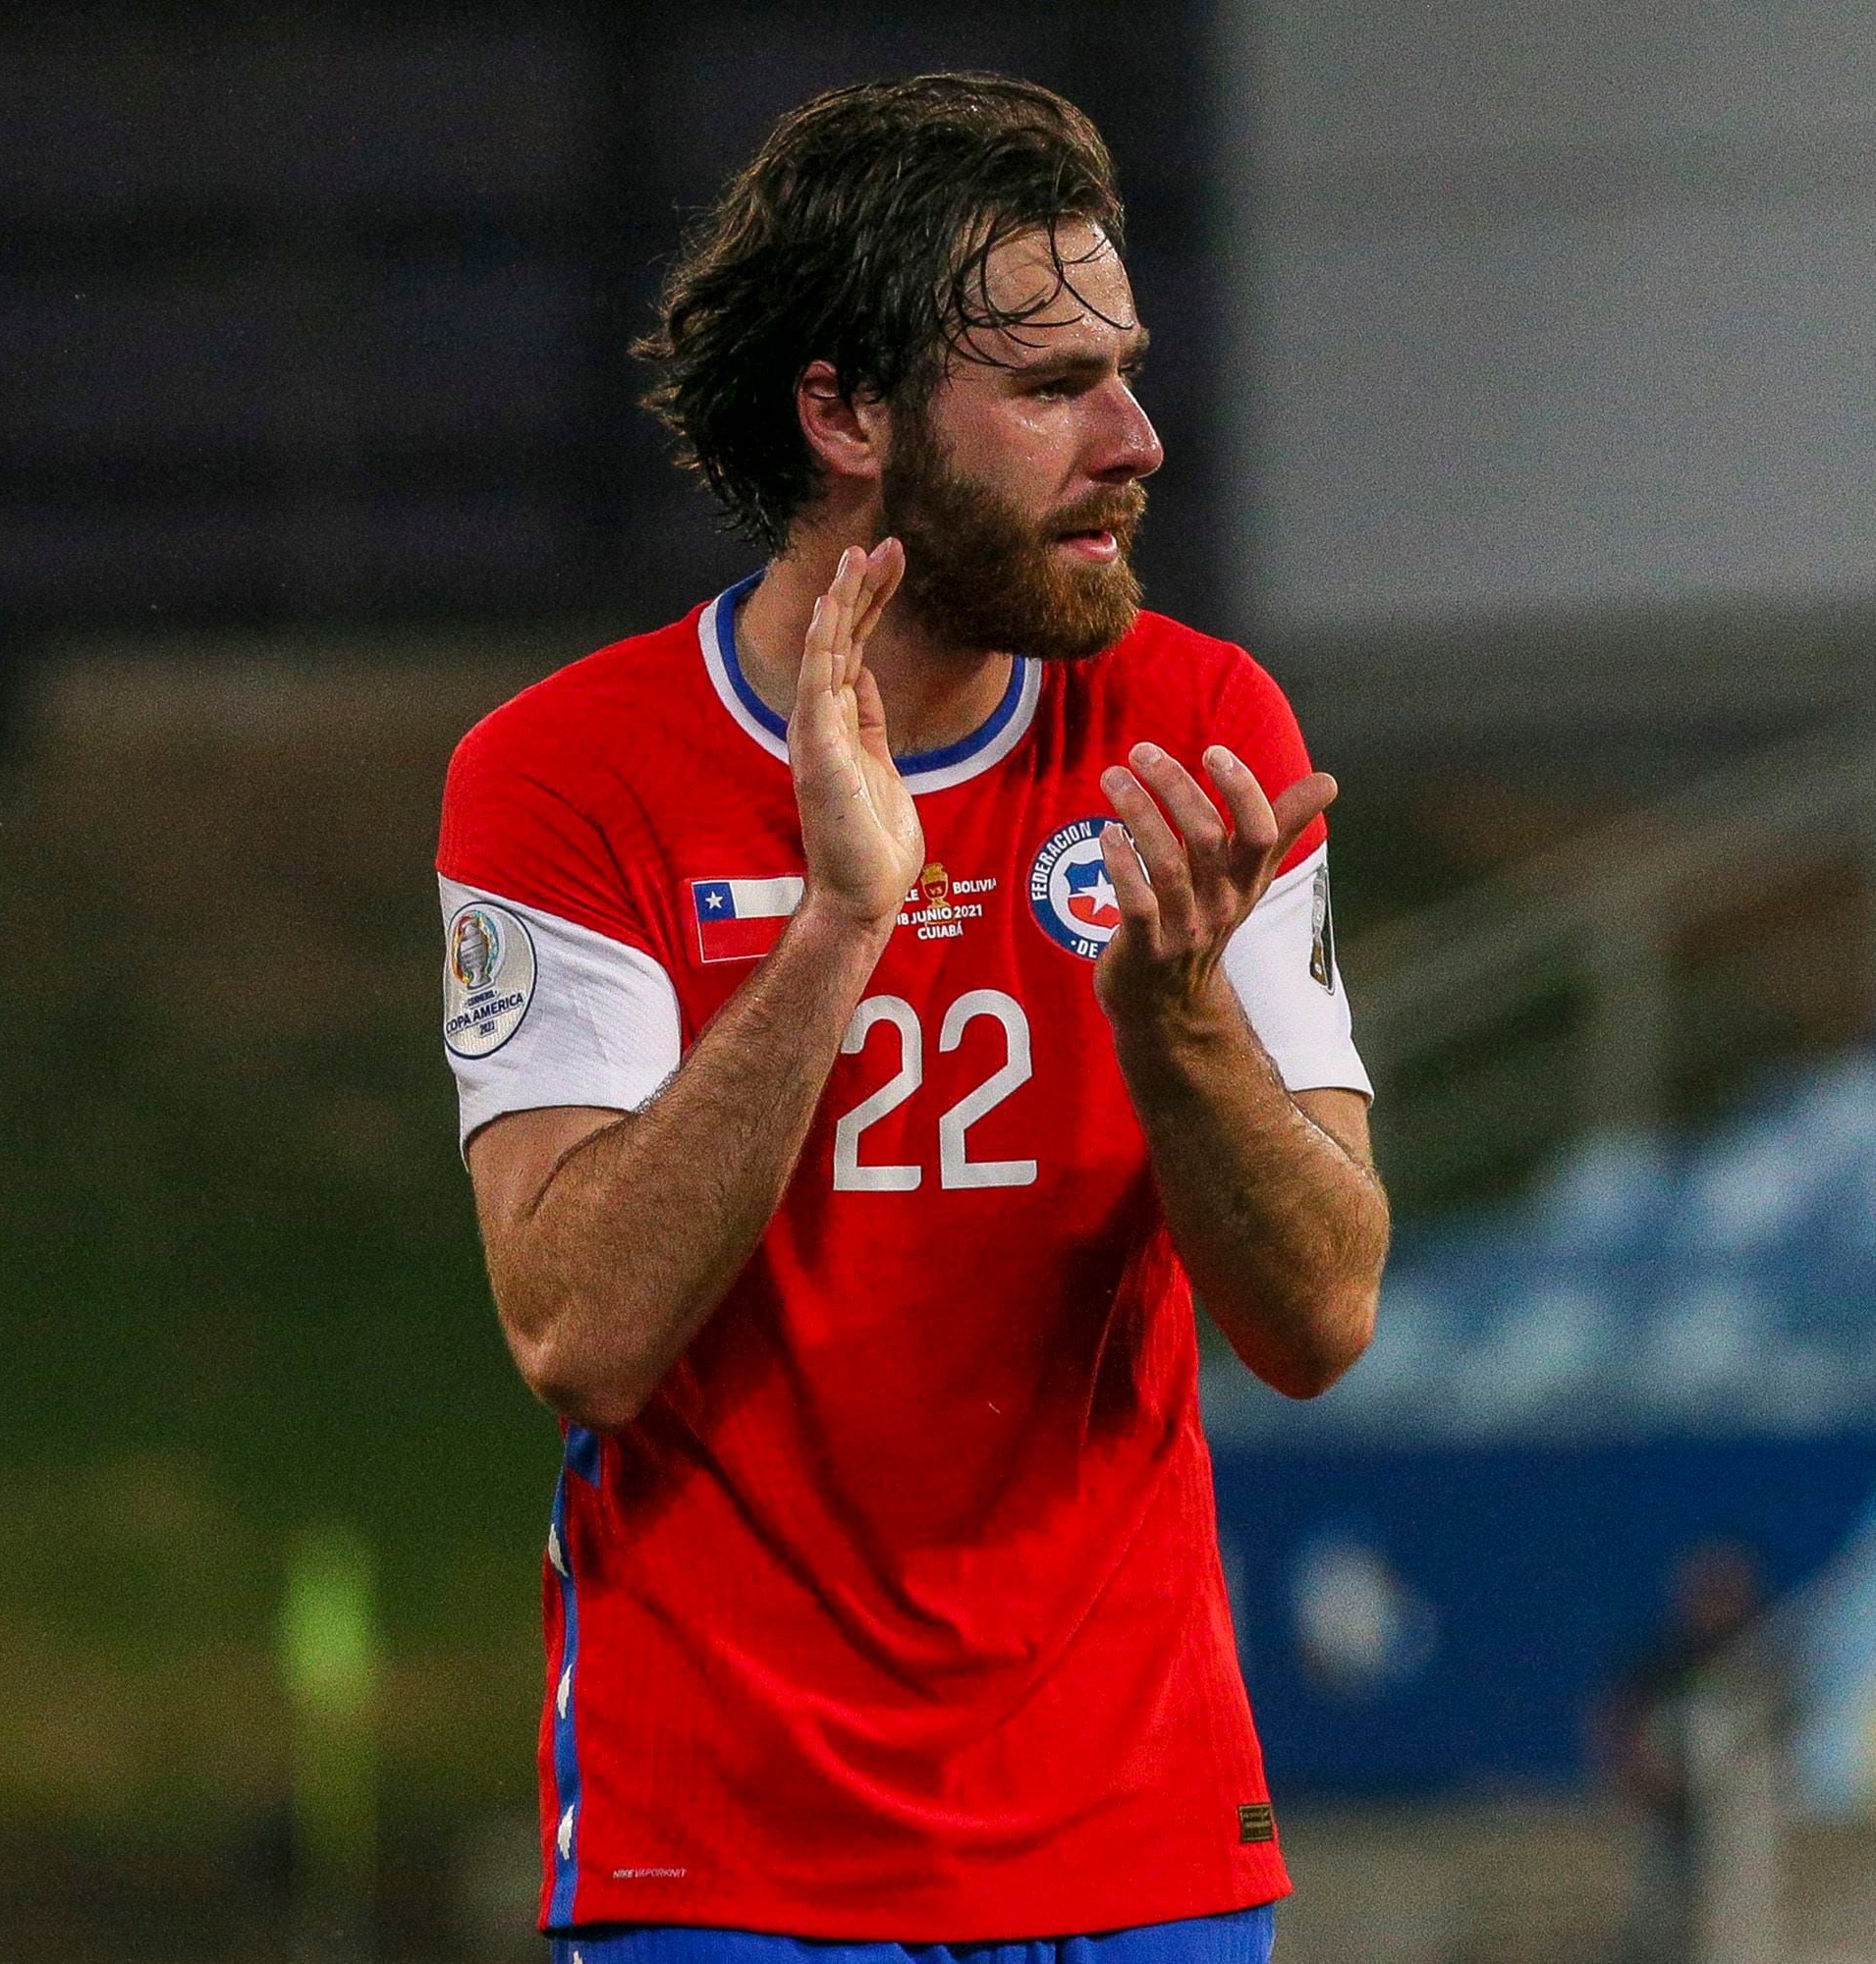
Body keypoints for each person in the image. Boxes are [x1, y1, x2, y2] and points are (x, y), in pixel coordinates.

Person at [434, 74, 1388, 1963]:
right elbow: (579, 1335)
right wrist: (839, 929)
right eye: (1048, 388)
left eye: (1123, 368)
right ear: (847, 413)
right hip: (721, 1858)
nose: (1134, 438)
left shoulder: (1204, 740)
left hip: (1139, 1845)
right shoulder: (567, 779)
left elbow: (1320, 1317)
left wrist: (1177, 1023)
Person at [1598, 1540, 1774, 1964]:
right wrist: (1640, 1775)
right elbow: (1618, 1720)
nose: (1717, 1609)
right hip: (1672, 1813)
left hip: (1740, 1817)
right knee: (1662, 1911)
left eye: (1728, 1595)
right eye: (1708, 1595)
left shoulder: (1761, 1664)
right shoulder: (1664, 1662)